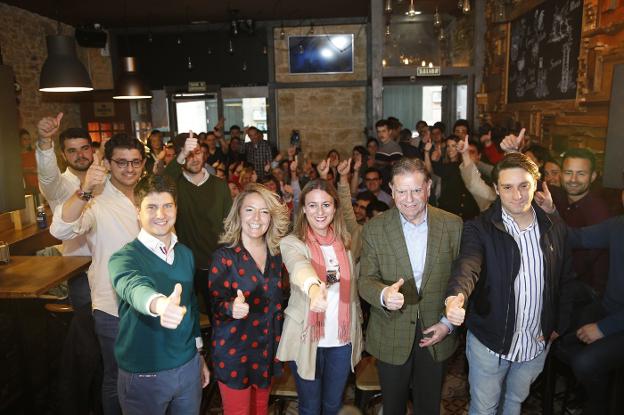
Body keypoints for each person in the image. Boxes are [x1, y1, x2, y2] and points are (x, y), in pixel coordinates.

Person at [445, 152, 575, 415]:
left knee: (514, 403)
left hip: (535, 341)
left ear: (536, 184)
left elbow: (566, 279)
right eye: (507, 187)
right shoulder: (480, 228)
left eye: (524, 185)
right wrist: (456, 296)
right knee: (485, 408)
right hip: (490, 341)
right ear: (496, 189)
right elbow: (467, 265)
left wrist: (557, 325)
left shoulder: (554, 227)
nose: (517, 195)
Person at [51, 133, 147, 415]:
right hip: (113, 306)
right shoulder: (96, 202)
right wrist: (85, 189)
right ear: (106, 162)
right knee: (116, 378)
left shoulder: (148, 197)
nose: (129, 169)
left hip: (151, 304)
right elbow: (60, 229)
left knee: (146, 375)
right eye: (121, 163)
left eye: (135, 162)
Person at [358, 157, 462, 415]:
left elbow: (462, 278)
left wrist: (448, 324)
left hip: (436, 329)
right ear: (391, 191)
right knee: (393, 407)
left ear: (428, 187)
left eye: (416, 190)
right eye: (401, 191)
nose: (409, 198)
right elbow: (366, 280)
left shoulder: (452, 224)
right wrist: (383, 294)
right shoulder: (374, 229)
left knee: (429, 406)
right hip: (390, 330)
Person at [108, 174, 209, 415]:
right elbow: (133, 287)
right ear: (137, 211)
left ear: (176, 208)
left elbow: (191, 305)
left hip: (187, 366)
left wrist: (199, 354)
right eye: (151, 207)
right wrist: (160, 304)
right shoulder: (124, 258)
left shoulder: (185, 253)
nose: (160, 215)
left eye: (167, 206)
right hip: (145, 373)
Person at [277, 177, 363, 415]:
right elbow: (298, 267)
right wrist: (314, 288)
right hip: (307, 337)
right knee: (310, 407)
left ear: (335, 207)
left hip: (341, 340)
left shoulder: (346, 244)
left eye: (326, 204)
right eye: (312, 205)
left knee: (333, 405)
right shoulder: (292, 243)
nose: (320, 211)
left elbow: (340, 279)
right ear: (303, 208)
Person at [209, 183, 289, 415]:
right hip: (235, 352)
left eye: (264, 211)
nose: (257, 218)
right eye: (249, 210)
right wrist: (230, 307)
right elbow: (214, 303)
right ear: (238, 214)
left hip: (266, 351)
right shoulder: (224, 257)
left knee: (260, 411)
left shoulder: (277, 256)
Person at [553, 189, 624, 414]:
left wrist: (603, 328)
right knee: (560, 339)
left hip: (615, 321)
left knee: (586, 362)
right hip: (609, 309)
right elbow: (576, 237)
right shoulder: (617, 225)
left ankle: (600, 406)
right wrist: (551, 212)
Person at [164, 133, 232, 311]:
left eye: (197, 153)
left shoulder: (219, 185)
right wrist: (180, 156)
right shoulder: (175, 185)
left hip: (216, 263)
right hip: (185, 264)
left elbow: (230, 225)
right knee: (186, 315)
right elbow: (158, 184)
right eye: (188, 155)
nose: (194, 159)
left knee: (218, 315)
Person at [36, 113, 94, 307]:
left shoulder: (106, 180)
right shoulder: (59, 186)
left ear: (92, 150)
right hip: (81, 272)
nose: (80, 155)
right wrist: (45, 141)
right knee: (88, 329)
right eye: (72, 151)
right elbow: (47, 177)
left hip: (113, 267)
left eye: (85, 148)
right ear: (63, 155)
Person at [551, 148, 611, 294]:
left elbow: (587, 264)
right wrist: (513, 152)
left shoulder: (598, 212)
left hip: (583, 297)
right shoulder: (555, 197)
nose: (573, 180)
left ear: (592, 176)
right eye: (568, 172)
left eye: (581, 174)